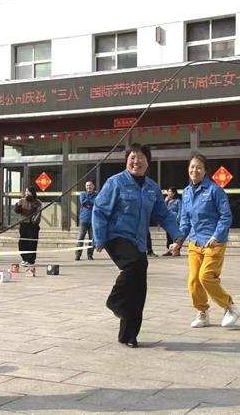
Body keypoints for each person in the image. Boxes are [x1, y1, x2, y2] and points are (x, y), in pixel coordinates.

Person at [93, 143, 183, 348]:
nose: (136, 161)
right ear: (126, 160)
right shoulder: (115, 182)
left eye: (141, 157)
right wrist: (99, 237)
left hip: (138, 241)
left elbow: (164, 215)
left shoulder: (152, 188)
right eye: (132, 157)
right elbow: (100, 210)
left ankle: (129, 335)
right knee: (137, 264)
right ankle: (115, 301)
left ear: (147, 162)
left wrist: (177, 236)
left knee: (138, 288)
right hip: (115, 236)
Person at [170, 154, 239, 328]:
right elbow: (185, 220)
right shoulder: (186, 192)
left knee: (206, 277)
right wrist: (178, 241)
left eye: (199, 167)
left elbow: (226, 216)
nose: (195, 170)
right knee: (193, 281)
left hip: (214, 242)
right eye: (192, 167)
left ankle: (230, 307)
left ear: (205, 170)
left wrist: (216, 236)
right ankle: (202, 313)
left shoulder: (215, 190)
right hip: (195, 243)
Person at [15, 186, 42, 267]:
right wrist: (17, 206)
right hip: (23, 224)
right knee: (22, 242)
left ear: (32, 193)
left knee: (31, 243)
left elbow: (38, 214)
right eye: (26, 191)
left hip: (32, 225)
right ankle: (24, 258)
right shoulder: (22, 201)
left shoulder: (37, 202)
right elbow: (17, 211)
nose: (26, 193)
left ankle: (30, 260)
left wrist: (33, 221)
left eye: (28, 192)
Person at [75, 180, 96, 261]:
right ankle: (78, 255)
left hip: (93, 220)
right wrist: (92, 203)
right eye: (87, 185)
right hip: (84, 219)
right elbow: (83, 202)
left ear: (93, 186)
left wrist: (90, 203)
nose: (88, 187)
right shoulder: (82, 194)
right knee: (80, 238)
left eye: (90, 185)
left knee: (92, 239)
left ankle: (90, 255)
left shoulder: (97, 195)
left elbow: (96, 202)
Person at [162, 187, 181, 256]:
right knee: (168, 236)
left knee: (176, 236)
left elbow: (180, 211)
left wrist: (177, 220)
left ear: (174, 193)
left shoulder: (178, 201)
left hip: (175, 220)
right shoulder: (166, 200)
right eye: (168, 191)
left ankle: (177, 250)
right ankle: (170, 250)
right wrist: (165, 201)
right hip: (168, 220)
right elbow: (162, 209)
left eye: (170, 191)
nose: (168, 193)